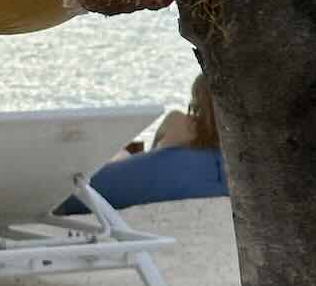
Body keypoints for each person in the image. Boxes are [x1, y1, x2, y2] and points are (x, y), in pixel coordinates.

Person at [61, 77, 228, 214]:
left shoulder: (179, 122)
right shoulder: (232, 156)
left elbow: (152, 157)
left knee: (120, 155)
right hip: (156, 180)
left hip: (105, 187)